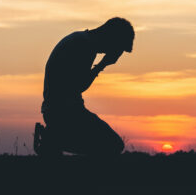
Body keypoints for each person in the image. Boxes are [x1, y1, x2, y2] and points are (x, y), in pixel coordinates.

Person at [33, 17, 134, 156]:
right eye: (119, 48)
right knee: (112, 145)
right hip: (65, 113)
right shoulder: (84, 46)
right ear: (112, 39)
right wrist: (103, 64)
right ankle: (54, 139)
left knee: (103, 145)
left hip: (61, 110)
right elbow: (79, 86)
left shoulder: (81, 41)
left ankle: (53, 139)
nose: (117, 53)